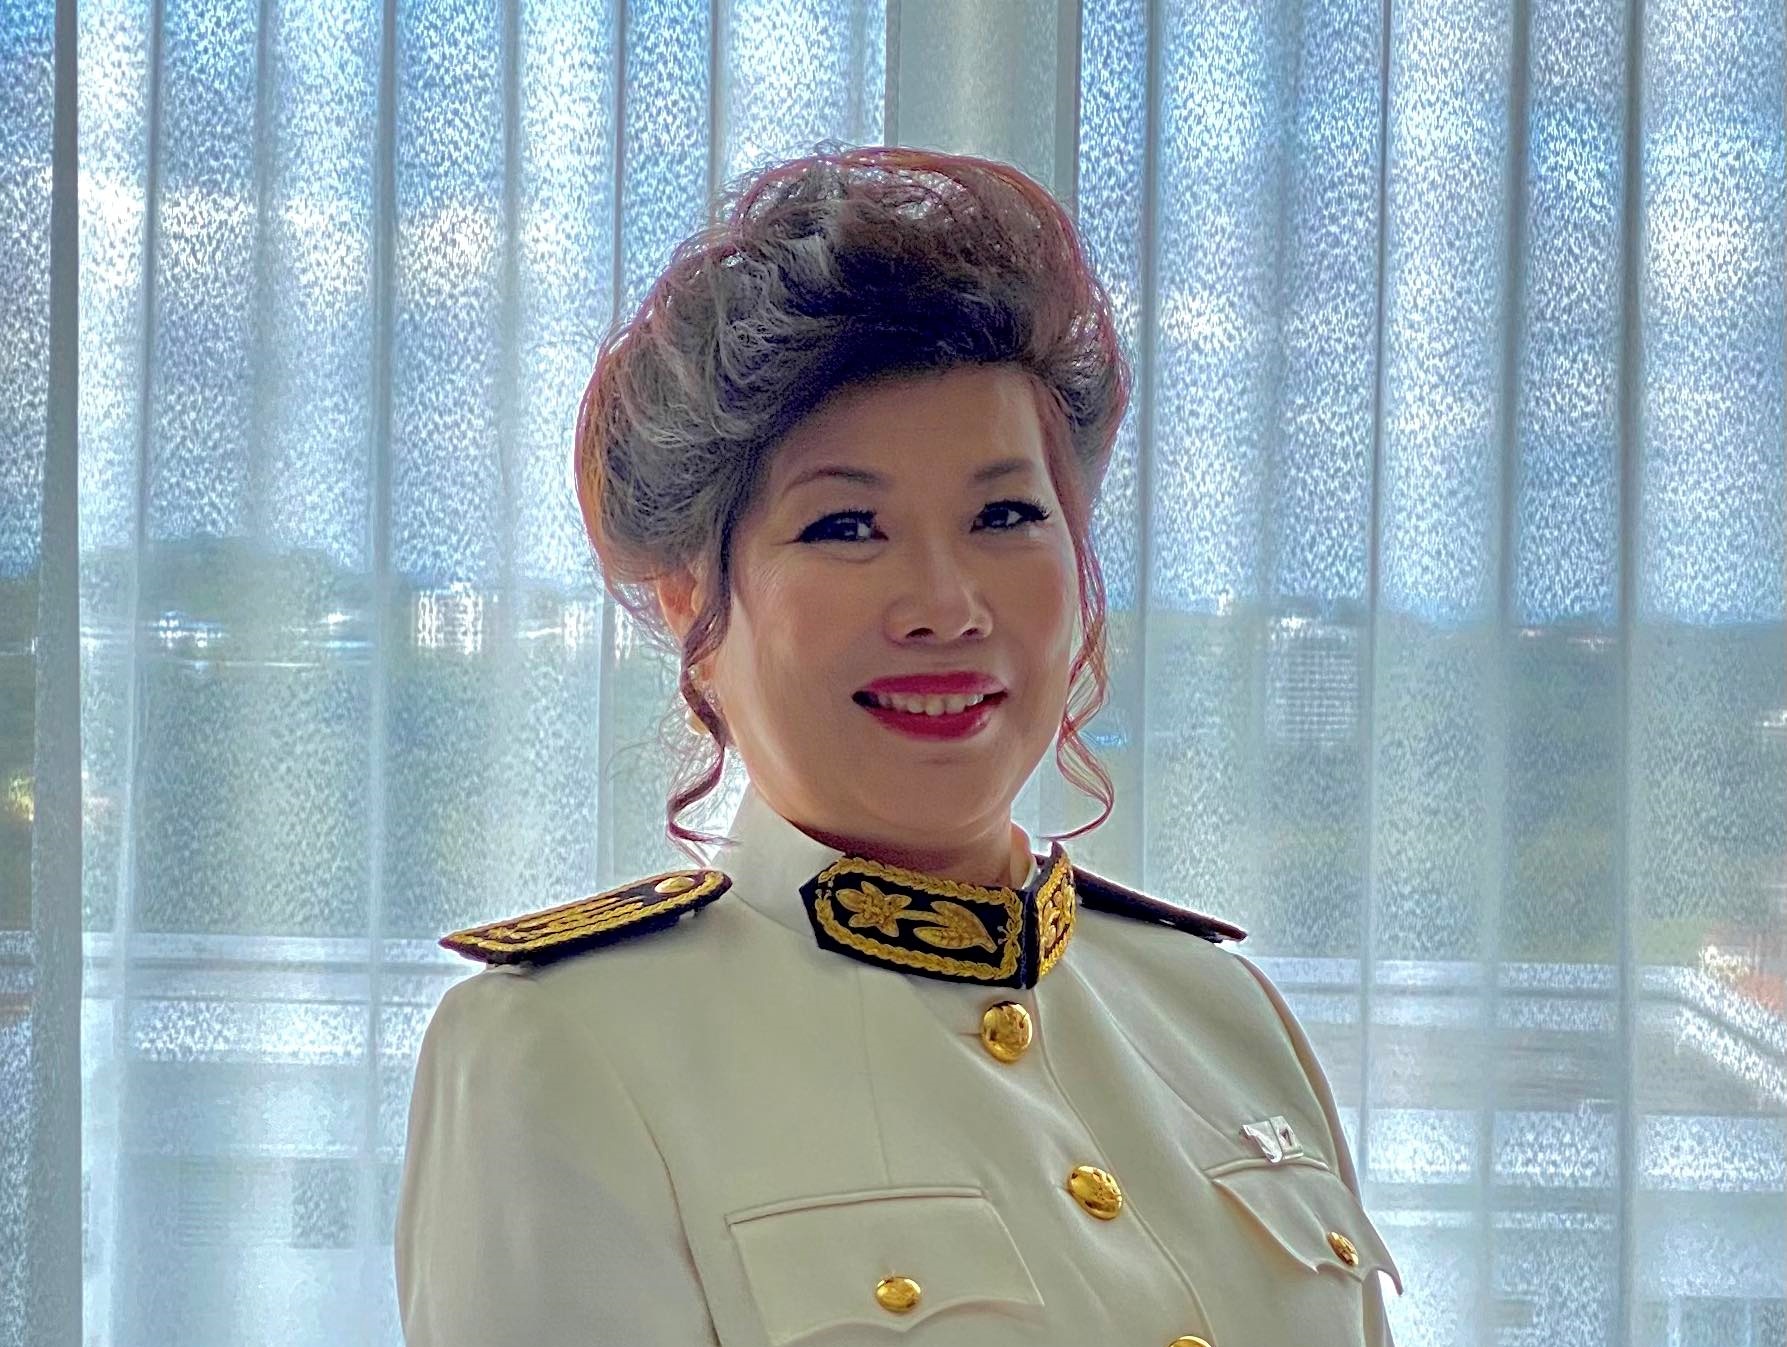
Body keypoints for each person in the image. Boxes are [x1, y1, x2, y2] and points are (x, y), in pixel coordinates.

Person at [394, 144, 1402, 1346]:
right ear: (686, 596)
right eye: (846, 526)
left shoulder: (1217, 1012)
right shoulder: (559, 1053)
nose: (945, 605)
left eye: (1004, 515)